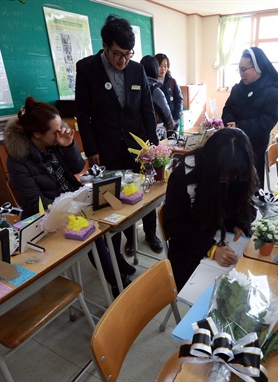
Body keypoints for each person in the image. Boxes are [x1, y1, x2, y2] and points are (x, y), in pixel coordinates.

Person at [4, 96, 133, 297]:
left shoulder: (55, 143)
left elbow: (77, 168)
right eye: (55, 131)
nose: (61, 133)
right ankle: (117, 281)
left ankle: (116, 260)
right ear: (37, 134)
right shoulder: (18, 161)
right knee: (94, 235)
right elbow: (34, 203)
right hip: (50, 214)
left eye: (61, 127)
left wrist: (69, 145)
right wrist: (74, 209)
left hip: (75, 200)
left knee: (111, 216)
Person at [75, 15, 163, 258]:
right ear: (105, 46)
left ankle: (151, 233)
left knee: (143, 193)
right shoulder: (87, 69)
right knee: (116, 198)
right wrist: (91, 149)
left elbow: (147, 108)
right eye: (117, 54)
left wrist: (152, 147)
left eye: (128, 53)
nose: (123, 59)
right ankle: (127, 238)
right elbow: (82, 115)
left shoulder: (137, 70)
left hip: (138, 146)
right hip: (106, 147)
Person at [162, 128, 259, 290]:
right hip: (191, 245)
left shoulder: (238, 172)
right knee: (220, 292)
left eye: (232, 177)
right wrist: (211, 249)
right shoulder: (184, 175)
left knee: (247, 278)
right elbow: (174, 225)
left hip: (225, 238)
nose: (228, 180)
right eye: (223, 176)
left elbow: (246, 202)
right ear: (210, 165)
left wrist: (240, 224)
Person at [222, 47, 278, 188]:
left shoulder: (272, 92)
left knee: (252, 189)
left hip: (254, 150)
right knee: (230, 187)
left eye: (244, 69)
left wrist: (238, 127)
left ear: (258, 68)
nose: (241, 74)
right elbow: (227, 109)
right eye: (239, 69)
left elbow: (267, 122)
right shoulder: (237, 88)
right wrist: (230, 122)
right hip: (234, 147)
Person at [140, 55, 175, 139]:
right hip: (155, 134)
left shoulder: (134, 88)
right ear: (155, 70)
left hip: (138, 134)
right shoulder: (155, 91)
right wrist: (172, 128)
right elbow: (166, 114)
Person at [155, 53, 183, 132]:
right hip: (158, 124)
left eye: (165, 66)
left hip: (172, 122)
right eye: (160, 66)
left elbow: (179, 100)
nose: (163, 69)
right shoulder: (151, 83)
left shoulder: (172, 81)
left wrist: (175, 119)